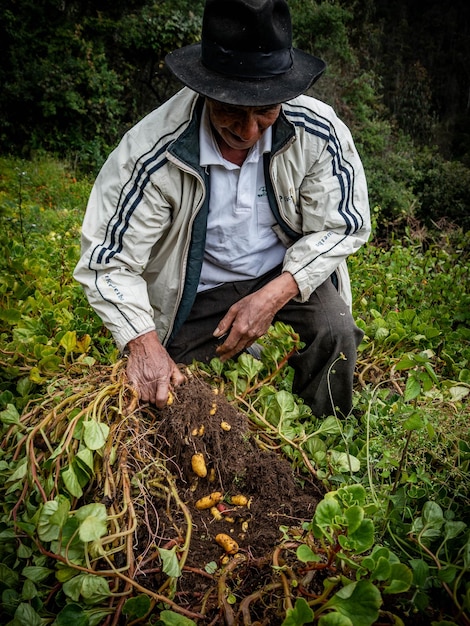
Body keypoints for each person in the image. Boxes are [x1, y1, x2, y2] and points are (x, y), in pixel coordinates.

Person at [74, 0, 370, 417]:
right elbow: (108, 261)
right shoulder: (152, 151)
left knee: (336, 332)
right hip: (200, 289)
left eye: (265, 111)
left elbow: (344, 225)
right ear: (205, 90)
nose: (248, 131)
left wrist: (273, 295)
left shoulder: (316, 131)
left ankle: (327, 428)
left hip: (282, 272)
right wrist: (143, 342)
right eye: (231, 109)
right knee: (167, 389)